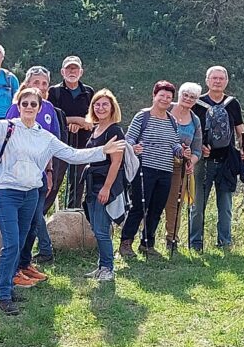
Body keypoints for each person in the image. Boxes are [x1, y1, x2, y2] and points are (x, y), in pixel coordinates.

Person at [0, 82, 126, 316]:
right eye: (25, 103)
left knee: (20, 243)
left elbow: (72, 154)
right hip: (7, 192)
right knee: (10, 244)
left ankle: (8, 287)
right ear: (18, 106)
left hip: (31, 194)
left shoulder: (45, 136)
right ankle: (2, 296)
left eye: (33, 104)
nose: (29, 107)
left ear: (40, 108)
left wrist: (103, 151)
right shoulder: (5, 127)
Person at [6, 66, 60, 279]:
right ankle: (15, 268)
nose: (40, 87)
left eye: (44, 83)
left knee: (35, 219)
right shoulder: (16, 108)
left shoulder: (49, 109)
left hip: (40, 174)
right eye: (36, 82)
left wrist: (49, 171)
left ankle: (26, 263)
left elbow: (52, 144)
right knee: (23, 222)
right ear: (27, 84)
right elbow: (6, 139)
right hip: (17, 176)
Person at [119, 81, 182, 258]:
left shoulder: (172, 120)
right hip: (144, 168)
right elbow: (129, 138)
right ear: (154, 96)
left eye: (169, 97)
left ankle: (147, 244)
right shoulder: (142, 116)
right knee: (139, 206)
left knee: (156, 208)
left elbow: (174, 143)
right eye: (161, 95)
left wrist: (181, 150)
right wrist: (134, 147)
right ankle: (125, 243)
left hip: (165, 170)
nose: (165, 99)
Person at [189, 66, 244, 252]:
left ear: (226, 81)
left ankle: (225, 242)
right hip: (202, 162)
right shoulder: (197, 103)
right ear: (207, 81)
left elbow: (240, 130)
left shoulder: (233, 103)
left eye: (221, 78)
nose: (217, 81)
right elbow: (190, 131)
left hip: (227, 161)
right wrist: (197, 149)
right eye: (214, 78)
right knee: (198, 205)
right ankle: (195, 243)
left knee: (225, 206)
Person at [82, 89, 125, 282]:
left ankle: (108, 268)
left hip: (104, 184)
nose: (100, 108)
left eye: (105, 104)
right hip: (92, 183)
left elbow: (116, 162)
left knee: (101, 228)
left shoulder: (114, 130)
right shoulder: (96, 129)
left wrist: (107, 188)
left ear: (112, 107)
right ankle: (101, 266)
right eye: (97, 104)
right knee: (97, 227)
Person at [46, 55, 95, 212]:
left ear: (81, 72)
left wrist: (80, 123)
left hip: (82, 144)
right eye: (68, 68)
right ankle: (40, 217)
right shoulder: (54, 92)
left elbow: (92, 118)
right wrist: (75, 121)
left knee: (78, 183)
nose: (72, 71)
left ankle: (72, 217)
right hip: (58, 144)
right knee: (54, 182)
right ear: (62, 71)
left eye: (75, 68)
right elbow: (51, 117)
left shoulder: (88, 92)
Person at [163, 83, 203, 252]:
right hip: (156, 163)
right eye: (185, 95)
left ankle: (172, 239)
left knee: (174, 205)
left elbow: (197, 149)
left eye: (192, 97)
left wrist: (191, 163)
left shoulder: (195, 120)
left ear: (196, 100)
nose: (188, 99)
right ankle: (146, 238)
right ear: (179, 94)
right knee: (152, 202)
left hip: (179, 168)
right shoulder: (165, 110)